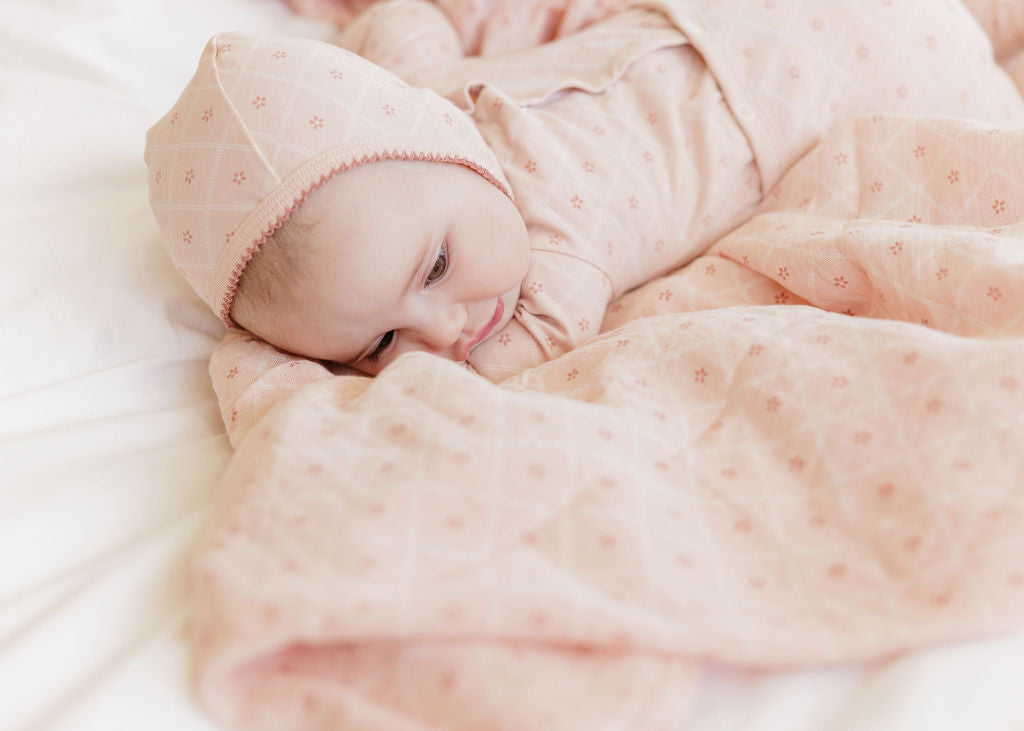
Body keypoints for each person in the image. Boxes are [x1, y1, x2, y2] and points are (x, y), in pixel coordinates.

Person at [145, 0, 1024, 384]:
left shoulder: (555, 241)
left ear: (438, 137)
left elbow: (527, 354)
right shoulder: (430, 103)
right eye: (379, 343)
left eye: (439, 265)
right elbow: (402, 24)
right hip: (780, 29)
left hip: (848, 79)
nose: (451, 329)